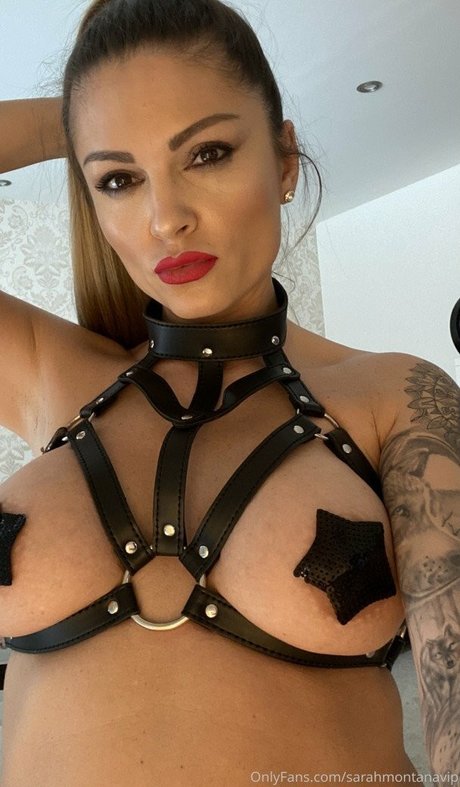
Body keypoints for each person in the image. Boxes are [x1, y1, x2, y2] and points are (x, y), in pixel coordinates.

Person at [0, 0, 458, 783]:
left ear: (284, 160)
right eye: (118, 178)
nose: (165, 218)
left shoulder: (394, 394)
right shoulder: (57, 377)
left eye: (206, 152)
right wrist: (79, 114)